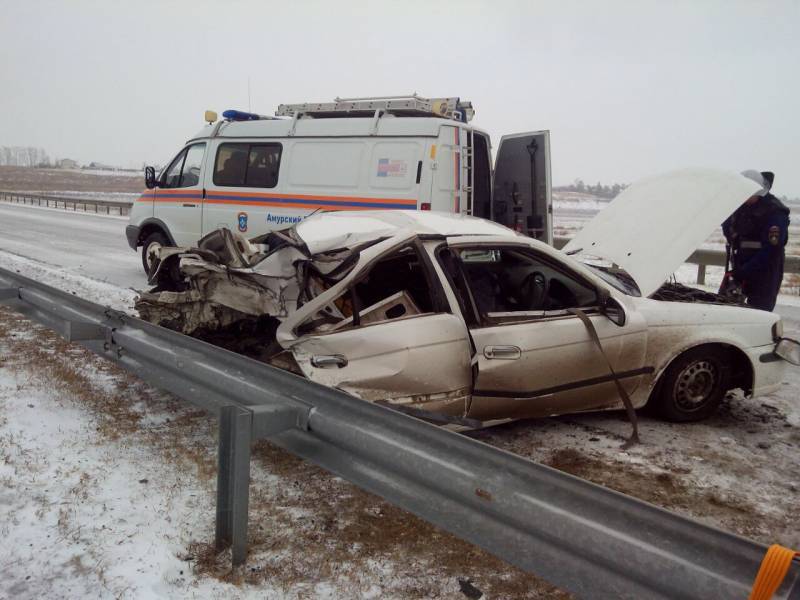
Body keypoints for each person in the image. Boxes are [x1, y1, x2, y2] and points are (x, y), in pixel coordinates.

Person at [721, 170, 790, 311]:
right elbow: (730, 230)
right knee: (724, 309)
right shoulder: (739, 207)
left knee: (759, 314)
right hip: (740, 269)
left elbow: (771, 250)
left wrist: (745, 271)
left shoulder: (774, 212)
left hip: (765, 274)